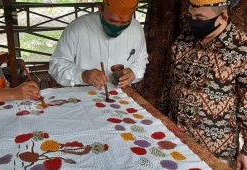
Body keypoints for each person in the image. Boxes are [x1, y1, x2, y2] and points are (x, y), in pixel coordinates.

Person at [159, 0, 246, 168]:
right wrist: (160, 117)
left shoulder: (241, 48)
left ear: (222, 17)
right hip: (174, 136)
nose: (193, 22)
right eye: (190, 16)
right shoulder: (184, 40)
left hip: (215, 148)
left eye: (200, 18)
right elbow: (170, 83)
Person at [49, 0, 148, 89]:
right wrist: (82, 75)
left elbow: (141, 61)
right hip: (83, 97)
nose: (118, 26)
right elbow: (57, 65)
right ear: (101, 9)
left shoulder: (136, 29)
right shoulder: (78, 28)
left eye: (125, 22)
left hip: (121, 97)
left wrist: (133, 72)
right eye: (112, 21)